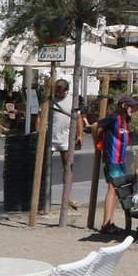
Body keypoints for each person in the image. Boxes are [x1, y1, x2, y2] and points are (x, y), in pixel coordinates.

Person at [94, 96, 138, 235]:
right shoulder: (114, 118)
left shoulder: (126, 121)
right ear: (124, 106)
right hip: (112, 158)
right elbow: (95, 125)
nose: (134, 110)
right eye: (132, 107)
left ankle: (110, 222)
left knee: (117, 190)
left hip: (121, 160)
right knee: (112, 189)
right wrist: (97, 143)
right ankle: (106, 224)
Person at [49, 78, 85, 207]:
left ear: (66, 90)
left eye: (60, 92)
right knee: (44, 167)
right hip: (50, 138)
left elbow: (79, 118)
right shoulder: (50, 100)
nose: (57, 94)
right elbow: (40, 117)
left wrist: (80, 134)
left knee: (67, 167)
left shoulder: (72, 101)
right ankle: (42, 196)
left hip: (65, 138)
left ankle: (67, 197)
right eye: (56, 92)